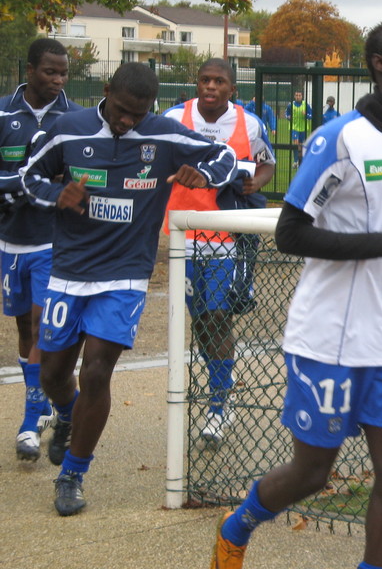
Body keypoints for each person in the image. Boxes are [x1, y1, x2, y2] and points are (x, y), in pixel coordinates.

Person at [209, 18, 382, 569]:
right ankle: (238, 526)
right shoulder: (342, 138)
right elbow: (290, 232)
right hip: (327, 336)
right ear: (379, 63)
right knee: (314, 473)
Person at [21, 62, 237, 517]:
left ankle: (73, 475)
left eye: (138, 115)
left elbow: (224, 157)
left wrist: (206, 176)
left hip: (125, 274)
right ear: (106, 92)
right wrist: (56, 195)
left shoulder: (163, 134)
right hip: (68, 271)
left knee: (98, 371)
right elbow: (29, 176)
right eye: (121, 111)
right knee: (54, 375)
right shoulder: (68, 129)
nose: (127, 122)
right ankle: (65, 413)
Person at [164, 59, 276, 444]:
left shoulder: (251, 123)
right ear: (196, 83)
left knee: (218, 315)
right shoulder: (174, 117)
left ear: (232, 89)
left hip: (228, 237)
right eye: (205, 80)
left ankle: (218, 407)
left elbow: (267, 164)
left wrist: (254, 182)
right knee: (200, 322)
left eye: (219, 81)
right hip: (183, 235)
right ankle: (218, 385)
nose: (210, 86)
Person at [0, 38, 83, 462]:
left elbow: (71, 179)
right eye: (50, 72)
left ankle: (31, 419)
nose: (58, 80)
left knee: (39, 320)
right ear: (29, 70)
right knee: (23, 328)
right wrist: (18, 185)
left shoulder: (72, 118)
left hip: (54, 241)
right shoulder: (3, 112)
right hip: (10, 241)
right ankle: (48, 395)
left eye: (64, 73)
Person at [284, 90, 312, 167]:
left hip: (303, 128)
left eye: (299, 95)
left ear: (302, 96)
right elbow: (286, 113)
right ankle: (296, 161)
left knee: (302, 145)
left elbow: (311, 115)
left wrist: (306, 114)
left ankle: (301, 161)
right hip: (294, 128)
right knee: (296, 144)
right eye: (296, 95)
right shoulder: (291, 105)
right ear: (294, 96)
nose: (298, 97)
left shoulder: (305, 105)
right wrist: (288, 117)